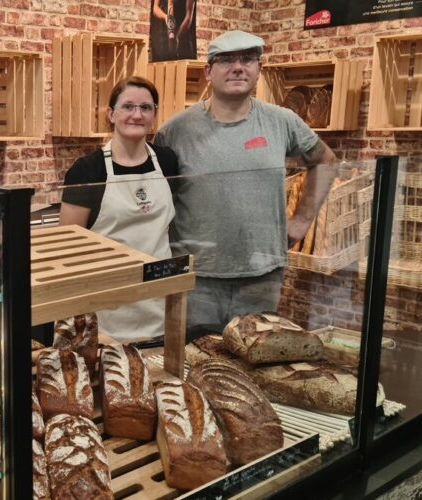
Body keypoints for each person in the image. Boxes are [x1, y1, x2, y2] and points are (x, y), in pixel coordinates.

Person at [154, 30, 337, 332]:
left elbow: (325, 160)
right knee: (192, 366)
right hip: (196, 279)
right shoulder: (175, 131)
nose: (238, 67)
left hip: (261, 278)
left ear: (259, 70)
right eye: (225, 60)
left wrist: (302, 220)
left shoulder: (282, 121)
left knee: (253, 369)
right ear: (208, 72)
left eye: (248, 59)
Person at [60, 76, 179, 341]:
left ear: (154, 115)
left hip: (157, 302)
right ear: (111, 114)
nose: (137, 115)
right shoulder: (87, 170)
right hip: (106, 311)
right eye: (128, 107)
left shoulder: (168, 162)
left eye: (145, 108)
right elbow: (67, 248)